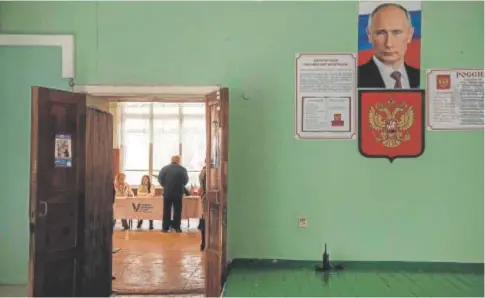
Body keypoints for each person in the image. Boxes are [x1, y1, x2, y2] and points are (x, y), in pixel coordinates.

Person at [358, 3, 420, 89]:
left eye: (396, 32)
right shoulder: (355, 78)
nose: (389, 44)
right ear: (369, 35)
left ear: (410, 35)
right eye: (381, 33)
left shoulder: (421, 78)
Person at [158, 155, 189, 233]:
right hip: (178, 193)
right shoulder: (182, 169)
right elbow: (185, 181)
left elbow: (160, 179)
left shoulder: (164, 168)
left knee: (166, 210)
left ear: (171, 160)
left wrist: (165, 185)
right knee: (177, 211)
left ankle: (165, 228)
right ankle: (177, 227)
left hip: (167, 193)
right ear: (179, 161)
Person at [197, 163, 207, 251]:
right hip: (207, 198)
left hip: (204, 198)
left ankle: (203, 243)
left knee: (203, 220)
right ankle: (204, 243)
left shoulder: (202, 172)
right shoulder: (206, 172)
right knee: (205, 221)